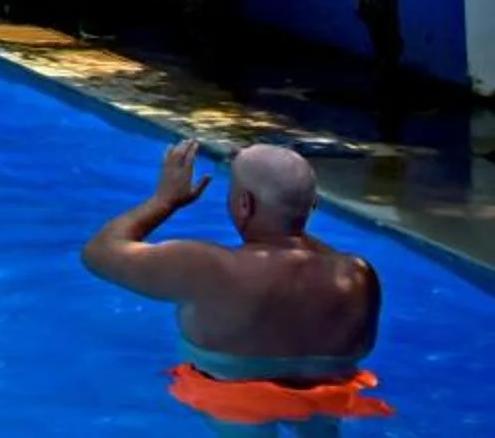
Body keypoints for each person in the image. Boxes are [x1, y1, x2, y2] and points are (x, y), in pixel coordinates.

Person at [83, 140, 387, 433]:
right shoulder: (358, 276)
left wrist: (164, 201)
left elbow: (99, 253)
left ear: (244, 203)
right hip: (327, 395)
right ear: (312, 206)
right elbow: (299, 241)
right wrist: (286, 197)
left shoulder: (205, 268)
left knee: (236, 416)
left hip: (233, 396)